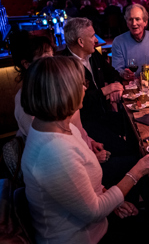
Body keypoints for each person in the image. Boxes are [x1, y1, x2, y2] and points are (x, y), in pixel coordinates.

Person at [21, 55, 149, 243]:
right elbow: (94, 211)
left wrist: (112, 199)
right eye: (79, 85)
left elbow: (83, 187)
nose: (84, 88)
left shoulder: (59, 125)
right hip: (83, 238)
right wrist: (138, 170)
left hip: (97, 223)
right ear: (62, 94)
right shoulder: (54, 151)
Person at [10, 31, 109, 164]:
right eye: (46, 58)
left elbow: (74, 128)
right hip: (72, 162)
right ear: (27, 64)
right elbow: (50, 151)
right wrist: (92, 158)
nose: (53, 62)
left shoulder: (55, 87)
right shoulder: (27, 101)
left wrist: (90, 141)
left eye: (52, 56)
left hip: (85, 151)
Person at [61, 18, 131, 157]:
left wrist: (116, 87)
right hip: (86, 125)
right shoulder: (64, 66)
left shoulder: (92, 54)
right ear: (80, 42)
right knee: (127, 150)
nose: (96, 40)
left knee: (134, 126)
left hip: (104, 114)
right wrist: (105, 91)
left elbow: (113, 73)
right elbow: (75, 103)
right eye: (92, 36)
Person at [111, 3, 149, 79]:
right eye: (130, 19)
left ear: (145, 22)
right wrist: (123, 73)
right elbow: (117, 69)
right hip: (130, 85)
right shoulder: (118, 41)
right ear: (127, 23)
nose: (134, 23)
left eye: (137, 19)